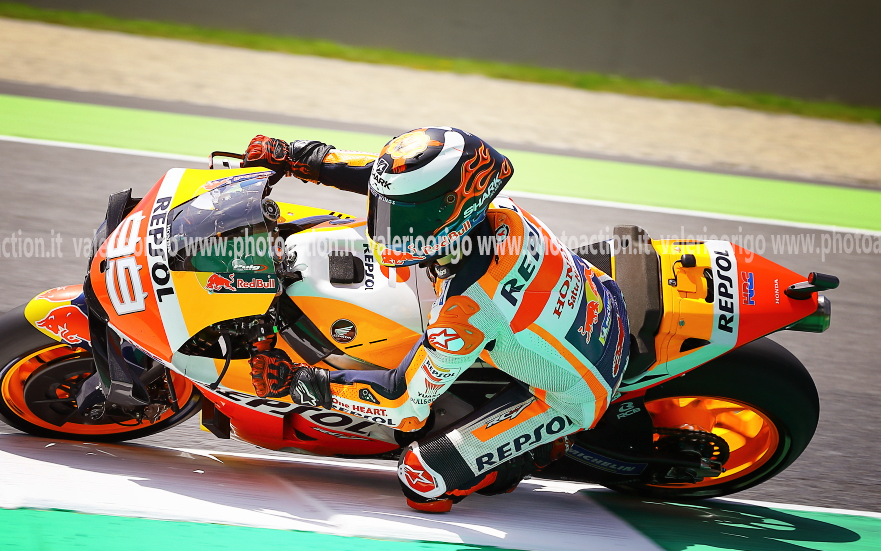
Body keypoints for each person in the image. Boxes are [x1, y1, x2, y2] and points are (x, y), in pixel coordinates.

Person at [243, 128, 629, 513]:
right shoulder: (494, 207)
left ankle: (537, 451)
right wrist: (294, 156)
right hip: (598, 296)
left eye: (407, 219)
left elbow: (403, 405)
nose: (389, 228)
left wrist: (299, 382)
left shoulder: (466, 311)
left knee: (421, 477)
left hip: (576, 389)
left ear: (453, 214)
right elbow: (381, 178)